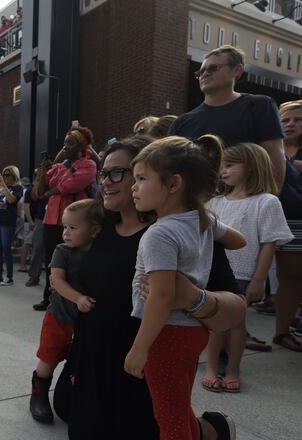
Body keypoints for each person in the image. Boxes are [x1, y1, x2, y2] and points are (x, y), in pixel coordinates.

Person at [125, 135, 245, 440]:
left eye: (141, 178)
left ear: (174, 183)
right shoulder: (201, 219)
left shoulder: (160, 233)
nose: (133, 187)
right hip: (193, 330)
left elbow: (162, 296)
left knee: (170, 418)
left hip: (166, 334)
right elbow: (238, 240)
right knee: (176, 406)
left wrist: (139, 349)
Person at [202, 143, 292, 392]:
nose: (223, 170)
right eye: (222, 165)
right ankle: (211, 368)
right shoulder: (216, 202)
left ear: (251, 167)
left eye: (230, 165)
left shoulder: (267, 202)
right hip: (216, 272)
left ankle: (232, 370)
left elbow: (269, 243)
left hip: (243, 275)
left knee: (237, 325)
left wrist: (258, 279)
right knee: (215, 323)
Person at [168, 45, 285, 190]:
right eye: (201, 71)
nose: (205, 74)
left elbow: (274, 157)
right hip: (195, 207)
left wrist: (269, 199)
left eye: (213, 68)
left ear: (237, 70)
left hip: (245, 203)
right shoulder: (181, 122)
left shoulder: (259, 106)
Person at [31, 199, 104, 424]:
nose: (66, 233)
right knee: (48, 358)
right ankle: (39, 395)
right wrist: (79, 298)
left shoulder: (101, 252)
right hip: (59, 317)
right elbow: (58, 281)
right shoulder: (62, 251)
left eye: (73, 228)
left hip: (86, 323)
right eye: (65, 227)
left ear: (94, 230)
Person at [36, 127, 97, 310]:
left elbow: (68, 187)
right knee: (51, 261)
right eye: (64, 143)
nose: (65, 147)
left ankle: (73, 297)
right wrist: (42, 172)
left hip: (74, 222)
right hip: (51, 219)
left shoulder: (88, 165)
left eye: (70, 144)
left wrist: (49, 190)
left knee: (74, 261)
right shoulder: (59, 166)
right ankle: (49, 297)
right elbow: (40, 192)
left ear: (81, 146)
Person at [273, 100, 302, 351]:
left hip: (295, 218)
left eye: (297, 119)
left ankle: (282, 331)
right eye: (285, 120)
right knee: (244, 275)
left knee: (291, 276)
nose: (291, 124)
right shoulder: (269, 146)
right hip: (262, 214)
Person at [0, 166, 24, 286]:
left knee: (6, 248)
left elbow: (11, 200)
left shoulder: (18, 188)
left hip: (8, 222)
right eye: (4, 175)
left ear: (14, 176)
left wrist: (4, 186)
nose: (5, 177)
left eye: (8, 175)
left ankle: (9, 277)